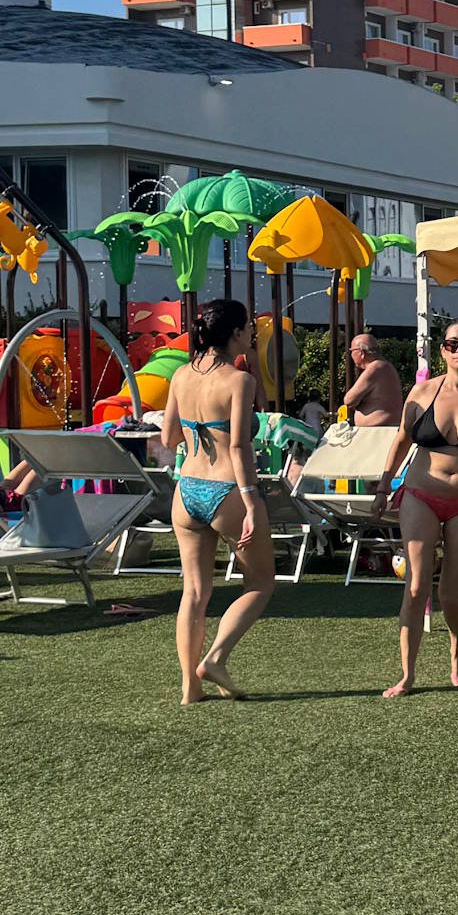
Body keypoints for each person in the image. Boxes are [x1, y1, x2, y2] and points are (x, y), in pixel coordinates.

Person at [371, 318, 458, 698]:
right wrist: (385, 484)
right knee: (416, 586)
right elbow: (401, 441)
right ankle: (407, 675)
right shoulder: (421, 393)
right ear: (443, 349)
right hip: (420, 493)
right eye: (452, 344)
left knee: (451, 591)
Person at [160, 298, 276, 704]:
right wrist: (252, 502)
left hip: (186, 489)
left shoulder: (180, 375)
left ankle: (189, 689)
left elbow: (167, 438)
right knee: (260, 583)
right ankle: (215, 658)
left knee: (194, 591)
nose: (252, 335)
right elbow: (241, 448)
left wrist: (198, 435)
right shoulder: (239, 380)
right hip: (228, 489)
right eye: (249, 328)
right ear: (236, 333)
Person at [345, 333, 403, 427]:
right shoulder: (385, 366)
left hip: (377, 431)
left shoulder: (375, 368)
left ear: (361, 353)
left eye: (352, 350)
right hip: (384, 428)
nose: (351, 355)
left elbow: (349, 400)